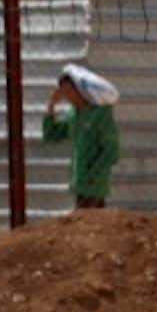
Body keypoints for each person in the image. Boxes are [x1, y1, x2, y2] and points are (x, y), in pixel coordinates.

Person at [42, 64, 121, 210]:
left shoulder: (100, 114)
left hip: (95, 186)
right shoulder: (73, 114)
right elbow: (51, 135)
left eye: (69, 91)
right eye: (63, 92)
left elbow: (111, 152)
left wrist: (93, 175)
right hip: (80, 183)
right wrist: (51, 106)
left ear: (79, 90)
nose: (67, 96)